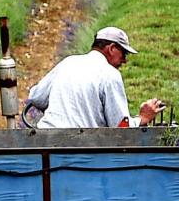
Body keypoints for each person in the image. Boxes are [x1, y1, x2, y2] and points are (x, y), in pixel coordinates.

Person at [20, 27, 167, 130]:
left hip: (46, 141)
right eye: (123, 54)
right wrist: (143, 118)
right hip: (84, 147)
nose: (124, 61)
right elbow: (121, 128)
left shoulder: (68, 62)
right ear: (111, 49)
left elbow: (36, 97)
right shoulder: (109, 74)